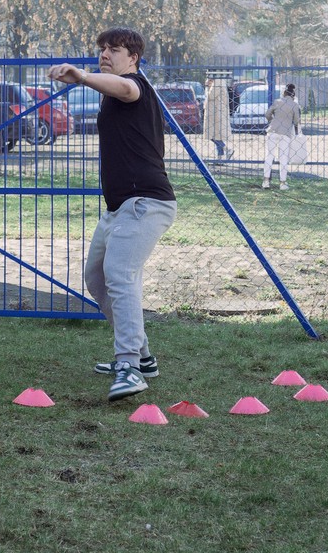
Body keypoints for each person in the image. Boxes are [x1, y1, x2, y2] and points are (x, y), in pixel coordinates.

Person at [47, 29, 178, 400]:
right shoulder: (112, 92)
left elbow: (125, 88)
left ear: (133, 58)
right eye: (102, 49)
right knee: (97, 278)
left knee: (120, 275)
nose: (104, 54)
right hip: (119, 208)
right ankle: (143, 357)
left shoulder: (135, 86)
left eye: (114, 49)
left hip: (145, 204)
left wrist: (82, 76)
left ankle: (129, 368)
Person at [262, 83, 301, 190]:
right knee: (283, 158)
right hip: (285, 133)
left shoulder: (277, 102)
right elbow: (296, 121)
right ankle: (282, 183)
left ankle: (266, 181)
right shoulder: (294, 105)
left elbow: (267, 114)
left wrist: (272, 120)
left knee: (269, 156)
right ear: (293, 95)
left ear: (284, 93)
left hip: (273, 130)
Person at [203, 74, 233, 160]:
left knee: (212, 135)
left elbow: (211, 96)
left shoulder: (218, 82)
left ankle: (227, 149)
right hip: (215, 113)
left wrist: (207, 86)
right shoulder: (218, 81)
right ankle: (220, 158)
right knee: (216, 135)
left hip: (216, 113)